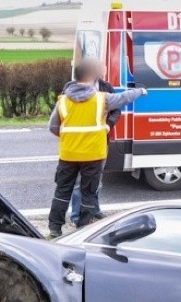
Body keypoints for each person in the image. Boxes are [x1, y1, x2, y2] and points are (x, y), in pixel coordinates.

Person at [47, 63, 146, 238]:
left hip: (68, 154)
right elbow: (124, 98)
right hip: (93, 154)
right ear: (92, 77)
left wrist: (70, 138)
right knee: (89, 193)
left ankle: (54, 229)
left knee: (62, 191)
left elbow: (53, 127)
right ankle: (84, 229)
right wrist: (140, 91)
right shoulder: (102, 98)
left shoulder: (63, 100)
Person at [66, 61, 121, 226]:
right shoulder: (71, 87)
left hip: (99, 141)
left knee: (97, 180)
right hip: (78, 142)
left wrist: (109, 124)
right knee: (78, 182)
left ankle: (94, 210)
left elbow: (116, 110)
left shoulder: (105, 87)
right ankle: (76, 216)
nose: (104, 70)